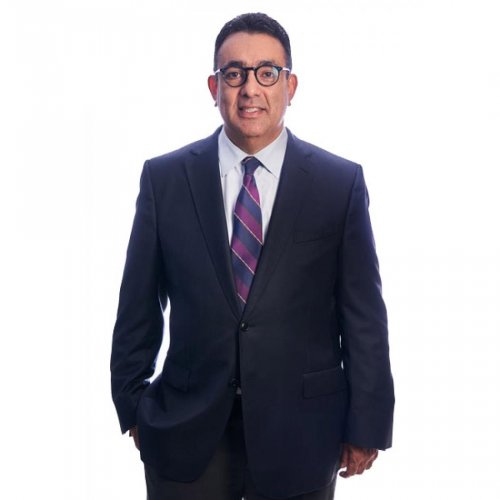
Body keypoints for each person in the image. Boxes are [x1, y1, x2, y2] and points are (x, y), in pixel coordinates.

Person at [111, 12, 394, 500]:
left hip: (303, 432)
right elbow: (137, 304)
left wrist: (366, 423)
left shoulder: (338, 184)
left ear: (290, 85)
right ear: (214, 86)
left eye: (267, 73)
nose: (250, 89)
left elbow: (364, 316)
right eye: (234, 74)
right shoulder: (165, 179)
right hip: (185, 432)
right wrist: (133, 405)